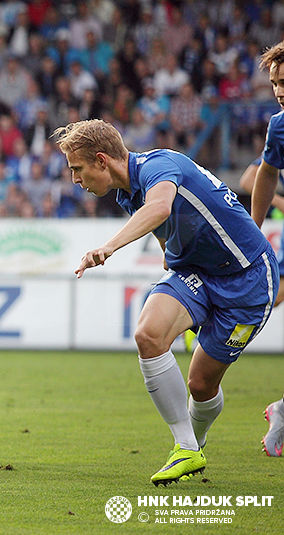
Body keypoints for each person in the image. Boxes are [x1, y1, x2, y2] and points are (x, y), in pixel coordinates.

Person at [56, 119, 278, 486]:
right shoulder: (127, 192)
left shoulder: (157, 165)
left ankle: (196, 440)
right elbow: (164, 227)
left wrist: (108, 247)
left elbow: (160, 208)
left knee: (201, 385)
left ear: (101, 160)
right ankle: (187, 447)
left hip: (248, 280)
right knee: (148, 334)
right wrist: (168, 255)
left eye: (77, 170)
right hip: (197, 272)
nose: (75, 180)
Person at [246, 41, 284, 459]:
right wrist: (254, 230)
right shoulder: (279, 126)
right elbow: (267, 173)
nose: (278, 90)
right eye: (274, 83)